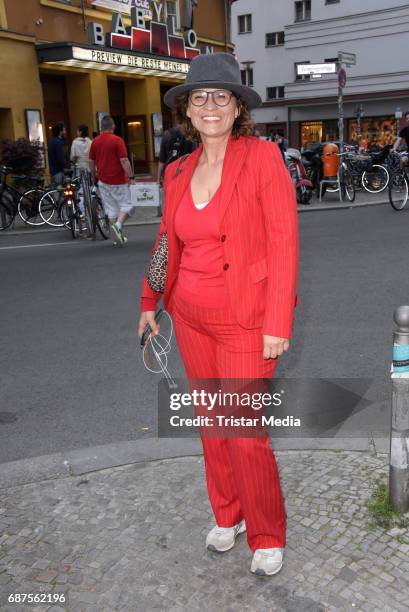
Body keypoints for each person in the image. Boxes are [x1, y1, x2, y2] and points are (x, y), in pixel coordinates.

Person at [138, 53, 298, 576]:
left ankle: (267, 530)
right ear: (187, 108)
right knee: (211, 425)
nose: (210, 106)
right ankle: (228, 514)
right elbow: (167, 242)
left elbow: (283, 242)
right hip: (190, 318)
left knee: (244, 430)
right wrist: (149, 301)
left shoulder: (262, 158)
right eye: (199, 97)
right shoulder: (178, 170)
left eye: (221, 96)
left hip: (248, 321)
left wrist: (278, 321)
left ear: (236, 108)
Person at [88, 115, 135, 246]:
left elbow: (91, 162)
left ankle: (117, 237)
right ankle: (119, 225)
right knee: (128, 206)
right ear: (113, 126)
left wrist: (94, 176)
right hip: (119, 180)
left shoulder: (95, 142)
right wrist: (131, 176)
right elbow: (124, 160)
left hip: (103, 181)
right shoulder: (117, 140)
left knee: (111, 210)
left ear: (101, 127)